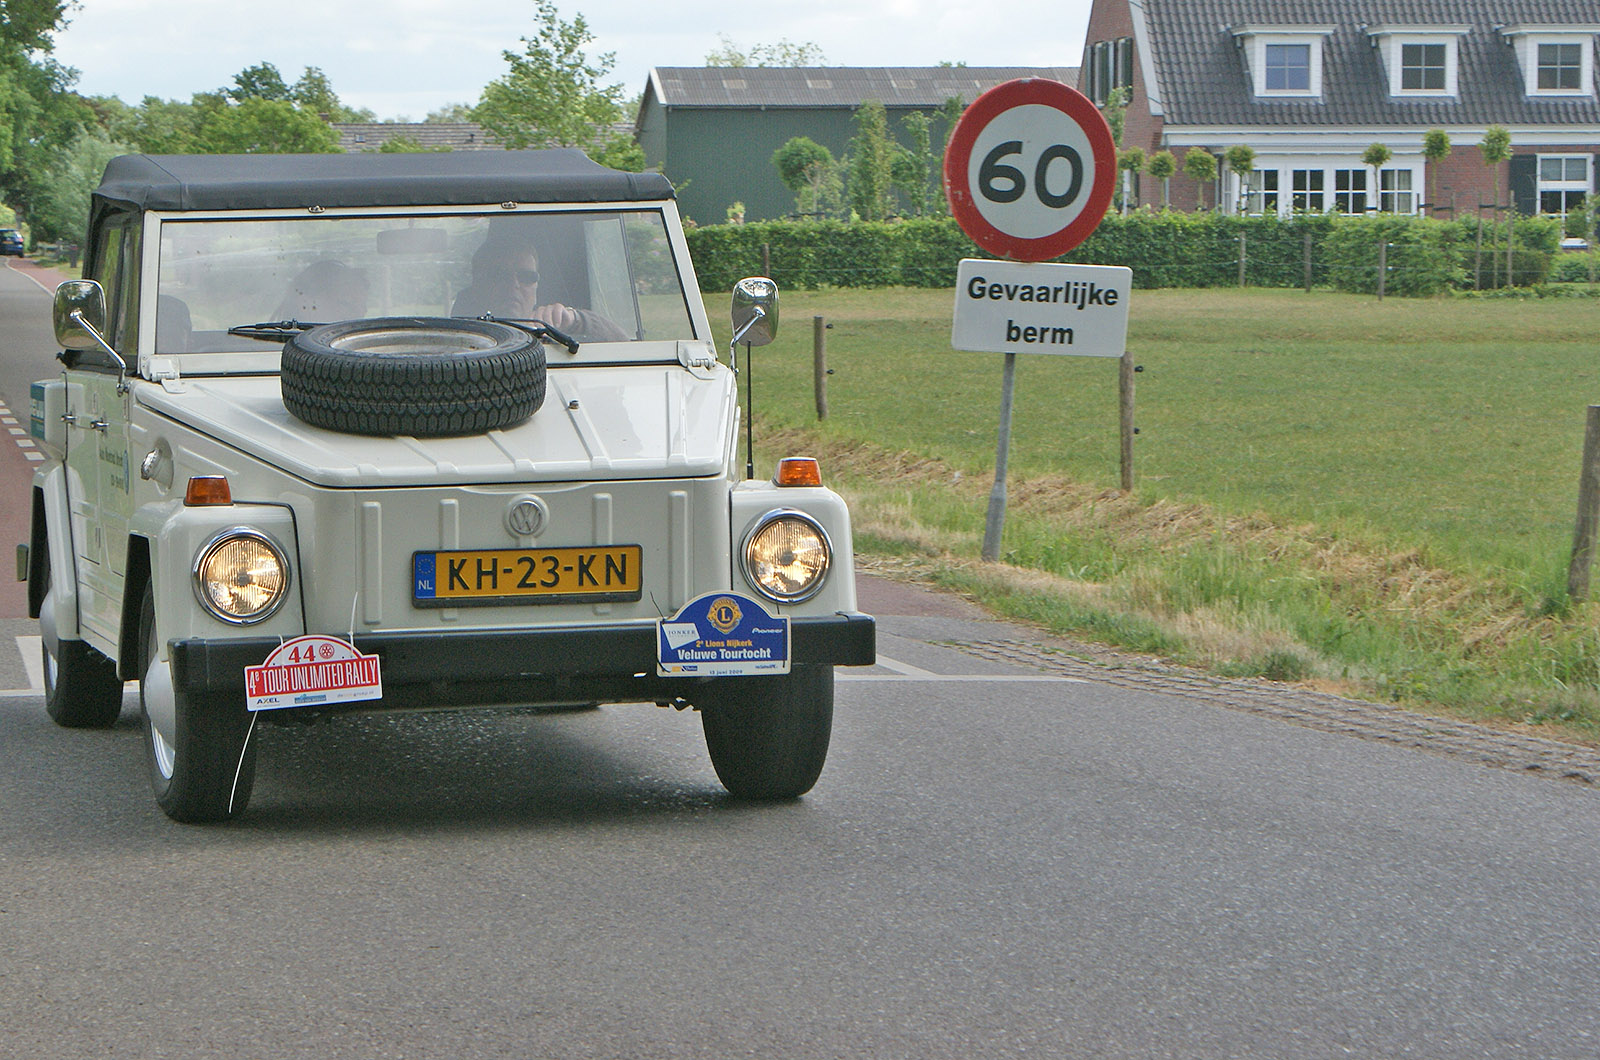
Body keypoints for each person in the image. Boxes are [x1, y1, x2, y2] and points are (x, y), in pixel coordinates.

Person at [452, 239, 627, 342]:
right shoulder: (458, 338)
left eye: (527, 277)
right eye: (500, 276)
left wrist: (576, 320)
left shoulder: (552, 334)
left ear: (536, 287)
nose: (515, 284)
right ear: (477, 284)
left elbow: (624, 345)